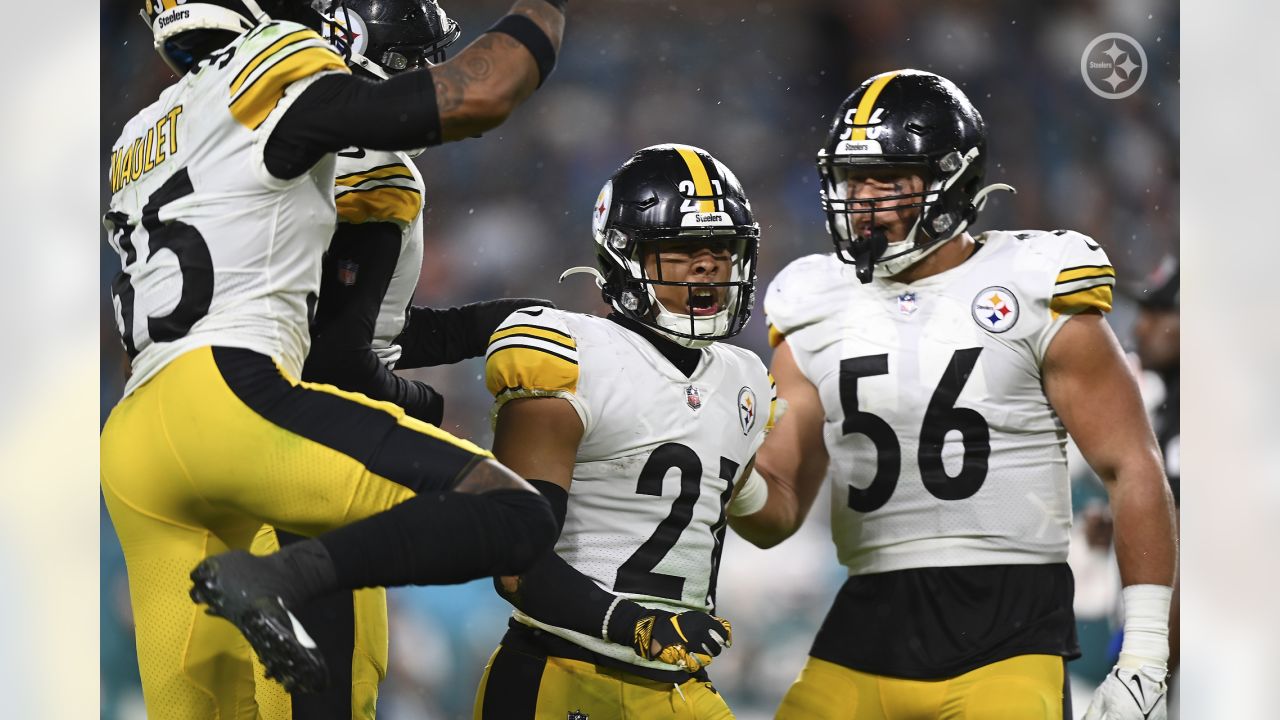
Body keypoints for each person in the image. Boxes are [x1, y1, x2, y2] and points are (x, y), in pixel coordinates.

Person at [100, 0, 567, 718]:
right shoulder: (280, 70)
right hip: (242, 413)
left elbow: (300, 295)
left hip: (136, 445)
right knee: (513, 516)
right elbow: (483, 91)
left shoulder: (143, 133)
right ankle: (288, 577)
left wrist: (477, 328)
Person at [728, 69, 1178, 720]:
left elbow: (1132, 468)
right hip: (865, 628)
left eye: (888, 180)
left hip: (1008, 634)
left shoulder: (1035, 284)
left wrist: (1142, 657)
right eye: (853, 179)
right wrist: (730, 467)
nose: (863, 200)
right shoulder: (812, 302)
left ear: (950, 180)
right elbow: (777, 511)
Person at [246, 3, 552, 716]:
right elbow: (338, 365)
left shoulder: (252, 132)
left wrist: (485, 324)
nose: (425, 77)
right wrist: (430, 411)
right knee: (334, 689)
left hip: (209, 425)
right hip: (299, 460)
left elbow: (342, 321)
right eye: (417, 59)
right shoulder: (375, 167)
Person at [470, 144, 775, 719]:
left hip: (681, 687)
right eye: (683, 249)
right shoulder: (571, 353)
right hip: (564, 673)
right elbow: (514, 563)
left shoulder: (747, 380)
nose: (707, 265)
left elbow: (770, 516)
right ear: (625, 258)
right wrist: (634, 623)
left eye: (723, 249)